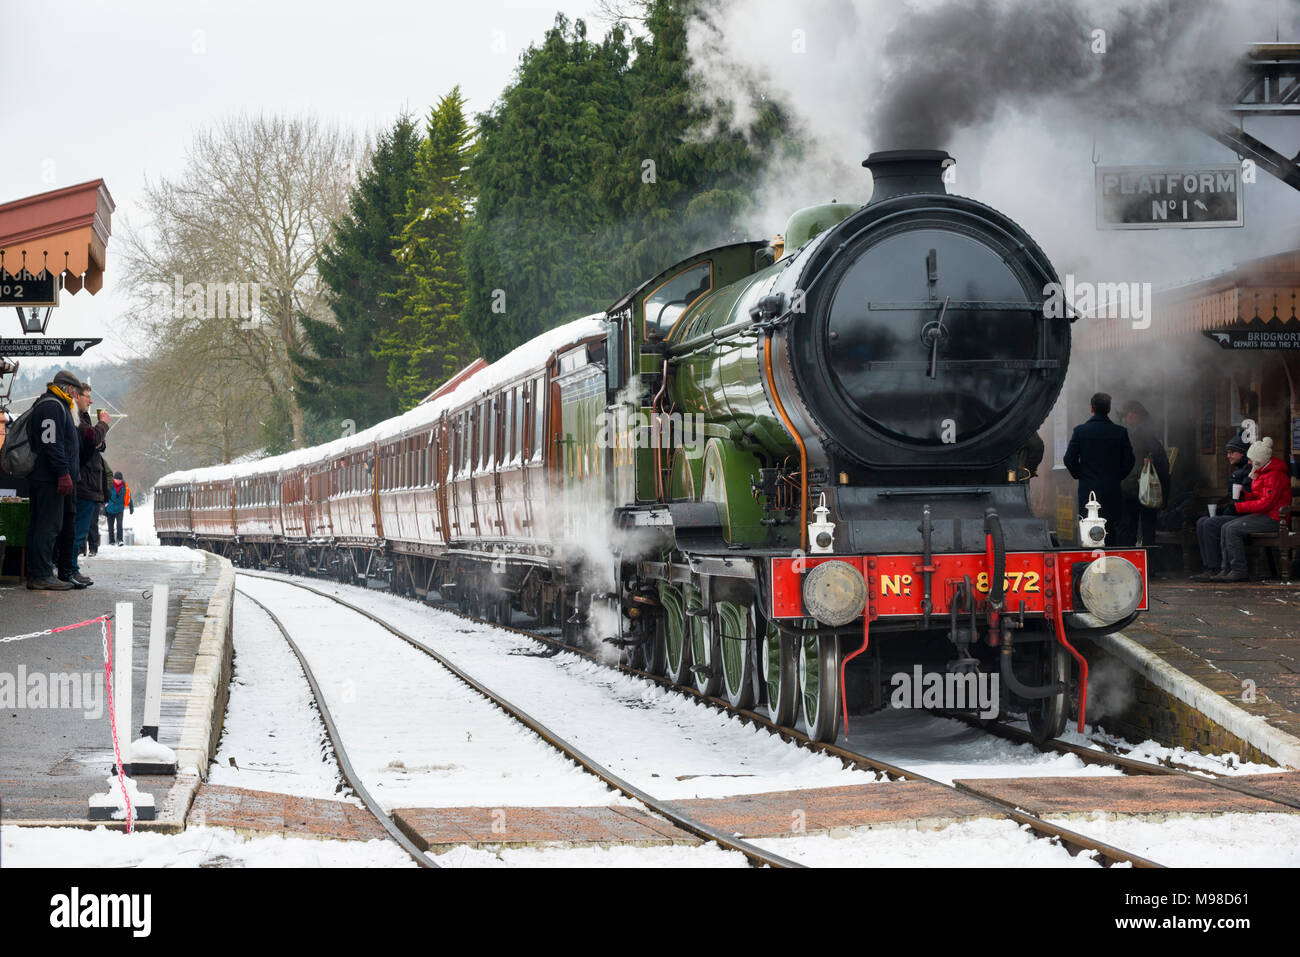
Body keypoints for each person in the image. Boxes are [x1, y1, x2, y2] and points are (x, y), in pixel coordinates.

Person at [24, 370, 83, 590]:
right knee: (47, 525)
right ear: (68, 388)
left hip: (47, 476)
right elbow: (52, 443)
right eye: (75, 392)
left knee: (44, 524)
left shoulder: (54, 404)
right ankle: (40, 574)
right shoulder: (52, 406)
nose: (75, 397)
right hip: (48, 477)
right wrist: (62, 473)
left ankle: (40, 572)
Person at [1215, 437, 1293, 582]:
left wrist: (1238, 506)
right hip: (1265, 516)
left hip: (1274, 519)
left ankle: (1238, 570)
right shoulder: (1263, 472)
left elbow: (1266, 504)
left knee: (1232, 529)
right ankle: (1226, 569)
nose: (1249, 462)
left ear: (1259, 459)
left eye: (1251, 459)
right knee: (1225, 527)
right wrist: (1245, 496)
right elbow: (1259, 496)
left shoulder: (1274, 475)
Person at [1063, 392, 1135, 535]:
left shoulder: (1080, 431)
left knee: (1088, 530)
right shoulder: (1120, 432)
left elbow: (1068, 459)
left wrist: (1080, 475)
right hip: (1111, 489)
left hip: (1088, 490)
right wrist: (1117, 477)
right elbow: (1129, 461)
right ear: (1108, 409)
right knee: (1110, 530)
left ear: (1092, 408)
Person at [1190, 433, 1253, 581]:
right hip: (1236, 511)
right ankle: (1208, 566)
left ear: (1243, 454)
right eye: (1227, 453)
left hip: (1244, 513)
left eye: (1232, 452)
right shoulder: (1237, 472)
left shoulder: (1249, 473)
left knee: (1210, 523)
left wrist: (1227, 509)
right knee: (1201, 522)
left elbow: (1244, 498)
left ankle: (1215, 567)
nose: (1228, 456)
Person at [1116, 400, 1171, 549]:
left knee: (1130, 529)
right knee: (1144, 529)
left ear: (1135, 415)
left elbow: (1161, 466)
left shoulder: (1138, 436)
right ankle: (1149, 565)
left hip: (1136, 489)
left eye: (1127, 415)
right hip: (1139, 489)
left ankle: (1133, 563)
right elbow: (1164, 468)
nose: (1126, 419)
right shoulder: (1143, 435)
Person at [70, 383, 109, 584]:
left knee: (79, 530)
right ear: (77, 395)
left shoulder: (80, 416)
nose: (91, 400)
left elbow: (92, 441)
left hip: (87, 481)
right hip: (84, 482)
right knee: (78, 531)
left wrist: (98, 441)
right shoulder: (75, 416)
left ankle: (71, 569)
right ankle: (71, 569)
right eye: (87, 396)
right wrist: (103, 423)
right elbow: (90, 438)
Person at [105, 470, 133, 546]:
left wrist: (131, 506)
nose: (118, 481)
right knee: (110, 526)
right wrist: (103, 506)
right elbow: (104, 495)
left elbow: (128, 496)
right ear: (114, 479)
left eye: (120, 479)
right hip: (110, 509)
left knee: (119, 525)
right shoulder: (109, 485)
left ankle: (120, 540)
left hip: (120, 508)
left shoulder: (125, 486)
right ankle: (111, 541)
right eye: (117, 479)